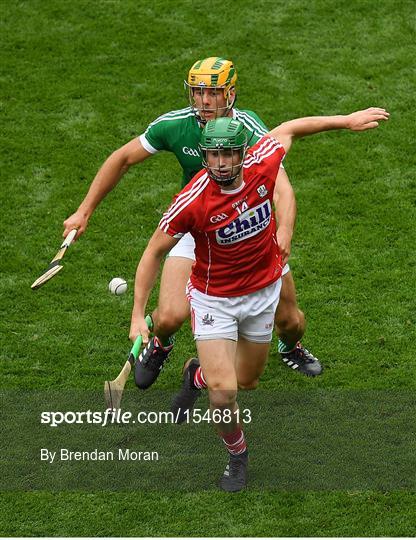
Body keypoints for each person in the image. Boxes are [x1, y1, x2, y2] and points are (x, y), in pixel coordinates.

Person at [129, 108, 389, 491]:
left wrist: (347, 120)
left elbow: (292, 128)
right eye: (213, 154)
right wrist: (138, 314)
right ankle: (237, 455)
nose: (221, 162)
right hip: (214, 300)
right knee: (225, 395)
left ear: (241, 152)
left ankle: (195, 374)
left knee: (246, 381)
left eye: (228, 153)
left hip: (262, 293)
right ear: (205, 155)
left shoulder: (262, 161)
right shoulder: (193, 201)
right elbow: (153, 252)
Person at [63, 57, 322, 384]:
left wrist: (284, 230)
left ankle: (290, 347)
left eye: (212, 92)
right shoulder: (175, 124)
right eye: (198, 92)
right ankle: (161, 342)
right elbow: (123, 158)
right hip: (199, 223)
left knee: (290, 321)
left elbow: (282, 190)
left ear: (230, 93)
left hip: (249, 227)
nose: (203, 101)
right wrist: (84, 210)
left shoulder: (248, 128)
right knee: (170, 315)